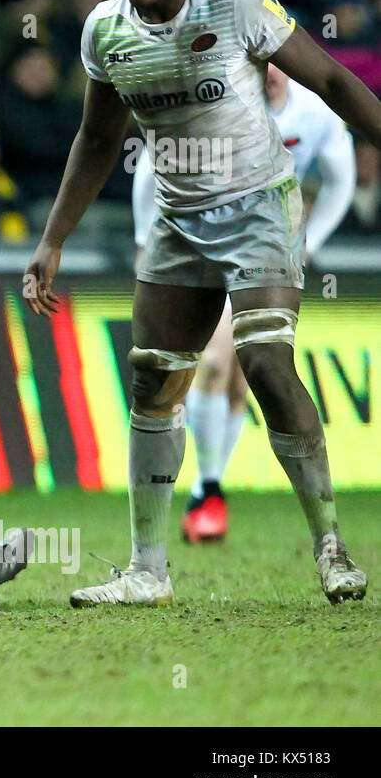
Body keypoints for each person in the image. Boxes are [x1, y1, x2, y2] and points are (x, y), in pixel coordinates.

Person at [24, 0, 379, 606]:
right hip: (176, 216)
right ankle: (148, 570)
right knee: (154, 378)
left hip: (259, 207)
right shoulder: (104, 32)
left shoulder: (239, 3)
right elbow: (97, 139)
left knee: (265, 362)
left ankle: (332, 550)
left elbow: (336, 79)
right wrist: (51, 240)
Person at [132, 62, 357, 542]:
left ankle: (209, 490)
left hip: (268, 250)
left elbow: (342, 178)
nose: (270, 72)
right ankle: (208, 489)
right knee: (214, 359)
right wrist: (142, 237)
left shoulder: (314, 114)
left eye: (278, 62)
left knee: (243, 373)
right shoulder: (212, 102)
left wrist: (308, 242)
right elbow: (155, 163)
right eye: (261, 63)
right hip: (204, 241)